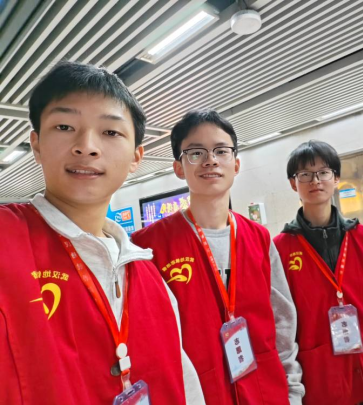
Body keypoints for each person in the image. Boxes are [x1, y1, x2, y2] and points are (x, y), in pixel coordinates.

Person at [0, 61, 205, 404]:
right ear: (36, 144)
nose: (87, 146)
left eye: (110, 132)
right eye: (64, 126)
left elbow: (186, 385)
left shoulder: (150, 278)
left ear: (136, 156)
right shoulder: (7, 242)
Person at [131, 109, 304, 405]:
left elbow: (283, 322)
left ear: (236, 164)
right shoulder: (148, 246)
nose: (210, 160)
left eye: (221, 151)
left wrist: (292, 393)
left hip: (265, 392)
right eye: (196, 152)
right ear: (178, 167)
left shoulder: (259, 238)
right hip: (199, 395)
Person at [273, 140, 363, 405]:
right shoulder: (280, 249)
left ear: (336, 178)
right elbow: (282, 326)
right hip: (319, 381)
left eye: (323, 172)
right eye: (305, 174)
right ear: (293, 183)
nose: (315, 181)